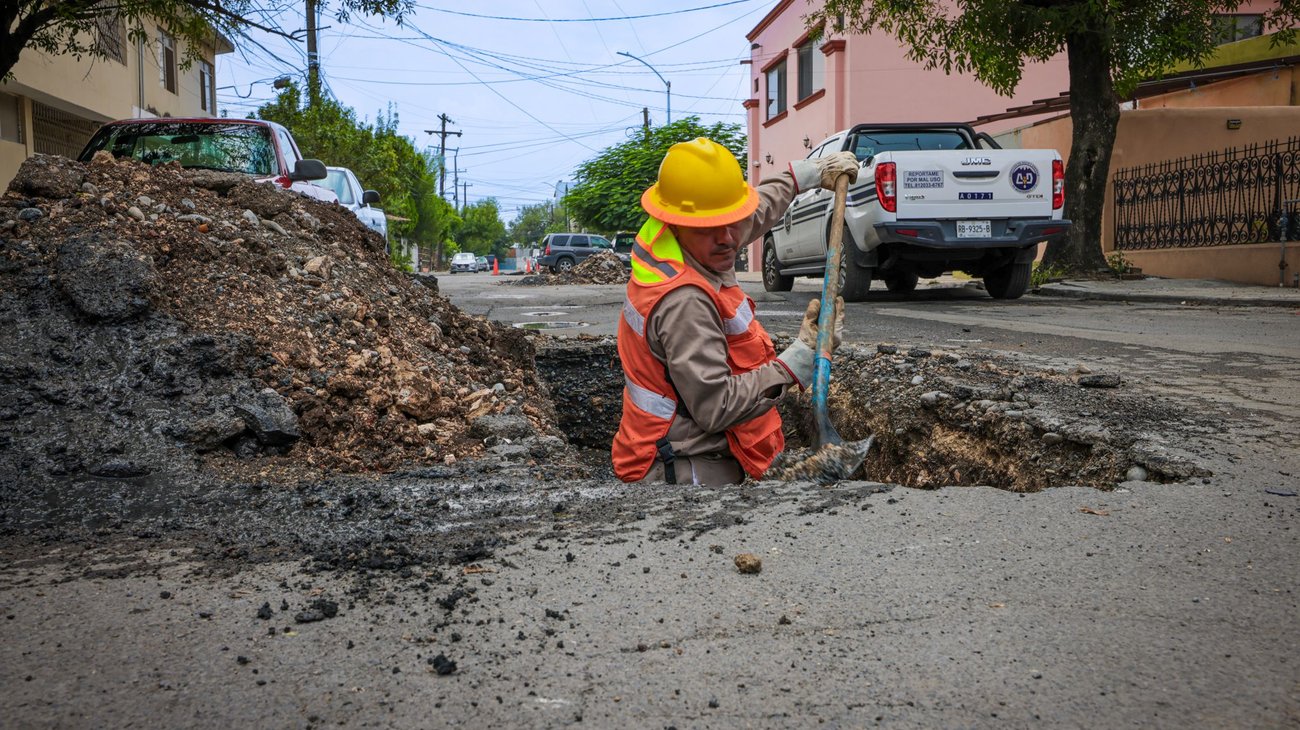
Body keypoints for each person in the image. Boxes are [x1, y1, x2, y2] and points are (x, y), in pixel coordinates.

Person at [611, 137, 859, 486]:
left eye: (732, 220)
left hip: (684, 443)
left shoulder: (683, 238)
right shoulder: (684, 302)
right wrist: (797, 361)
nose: (730, 238)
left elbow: (753, 214)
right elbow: (714, 408)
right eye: (713, 228)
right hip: (675, 464)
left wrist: (809, 173)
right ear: (679, 222)